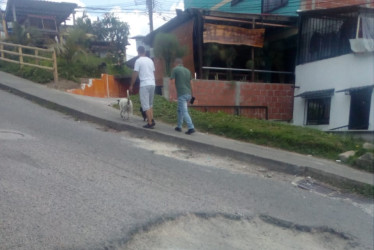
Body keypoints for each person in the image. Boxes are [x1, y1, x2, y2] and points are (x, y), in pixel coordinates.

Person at [129, 46, 156, 129]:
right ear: (145, 51)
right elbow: (153, 72)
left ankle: (150, 123)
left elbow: (135, 73)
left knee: (145, 105)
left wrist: (131, 85)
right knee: (150, 104)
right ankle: (151, 119)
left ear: (138, 52)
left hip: (145, 84)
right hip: (152, 83)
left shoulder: (138, 61)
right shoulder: (150, 60)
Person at [170, 58, 195, 135]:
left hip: (182, 94)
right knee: (180, 110)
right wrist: (192, 96)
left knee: (184, 111)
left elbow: (172, 82)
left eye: (174, 64)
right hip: (188, 94)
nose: (174, 65)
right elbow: (191, 84)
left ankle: (191, 127)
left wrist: (172, 94)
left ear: (176, 63)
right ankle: (179, 126)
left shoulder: (175, 69)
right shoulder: (188, 71)